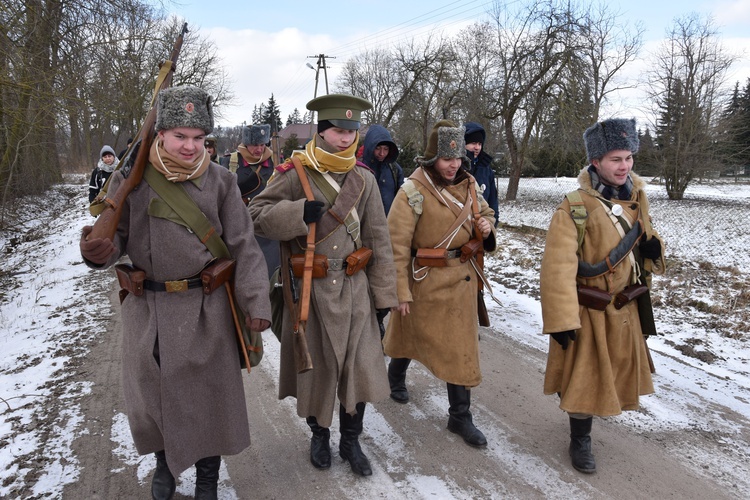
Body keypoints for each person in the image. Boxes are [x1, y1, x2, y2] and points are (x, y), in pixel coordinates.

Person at [79, 85, 272, 499]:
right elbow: (115, 240)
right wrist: (98, 251)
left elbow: (243, 245)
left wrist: (256, 300)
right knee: (154, 397)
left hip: (206, 308)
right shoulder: (130, 181)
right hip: (148, 308)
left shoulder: (220, 180)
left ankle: (206, 477)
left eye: (198, 138)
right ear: (161, 135)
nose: (190, 146)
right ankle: (164, 465)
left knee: (208, 398)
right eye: (180, 136)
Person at [249, 93, 398, 477]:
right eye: (337, 130)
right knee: (316, 371)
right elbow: (256, 216)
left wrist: (383, 299)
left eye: (352, 130)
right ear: (322, 130)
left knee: (359, 369)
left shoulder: (362, 178)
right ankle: (319, 435)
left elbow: (378, 239)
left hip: (354, 288)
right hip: (309, 293)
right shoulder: (293, 173)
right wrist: (298, 213)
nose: (345, 138)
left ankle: (351, 441)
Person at [540, 117, 666, 474]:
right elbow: (556, 268)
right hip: (589, 311)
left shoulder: (638, 198)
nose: (624, 166)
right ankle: (580, 439)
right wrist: (562, 321)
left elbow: (644, 248)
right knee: (583, 379)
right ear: (596, 161)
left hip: (625, 309)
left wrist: (655, 248)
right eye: (615, 159)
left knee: (614, 375)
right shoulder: (575, 206)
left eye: (628, 158)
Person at [383, 120, 497, 448]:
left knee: (459, 348)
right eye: (448, 159)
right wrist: (399, 292)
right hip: (425, 280)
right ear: (433, 158)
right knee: (409, 334)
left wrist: (487, 225)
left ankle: (460, 416)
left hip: (461, 280)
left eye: (458, 158)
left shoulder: (470, 184)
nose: (454, 165)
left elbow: (486, 211)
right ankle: (395, 374)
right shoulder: (412, 192)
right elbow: (397, 245)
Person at [222, 123, 279, 278]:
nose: (259, 149)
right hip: (239, 226)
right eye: (255, 145)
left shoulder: (276, 163)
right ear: (246, 143)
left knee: (270, 275)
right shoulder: (229, 163)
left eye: (262, 144)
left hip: (267, 228)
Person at [361, 124, 404, 216]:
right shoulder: (358, 168)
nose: (382, 153)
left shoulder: (395, 169)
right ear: (370, 146)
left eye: (386, 149)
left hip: (389, 222)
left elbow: (401, 200)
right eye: (377, 148)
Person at [463, 122, 498, 225]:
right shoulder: (455, 169)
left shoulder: (486, 170)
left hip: (483, 228)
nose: (477, 147)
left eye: (479, 144)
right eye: (473, 143)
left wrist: (492, 227)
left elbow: (493, 203)